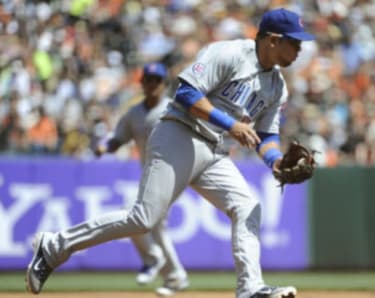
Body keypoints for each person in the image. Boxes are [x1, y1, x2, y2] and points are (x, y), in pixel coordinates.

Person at [26, 8, 315, 298]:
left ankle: (250, 288)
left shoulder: (277, 87)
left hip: (213, 151)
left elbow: (266, 135)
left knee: (248, 206)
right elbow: (186, 93)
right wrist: (232, 124)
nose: (300, 49)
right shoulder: (230, 53)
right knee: (144, 219)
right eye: (295, 42)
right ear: (273, 40)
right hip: (179, 133)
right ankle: (55, 246)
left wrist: (275, 161)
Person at [94, 62, 189, 296]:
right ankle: (175, 275)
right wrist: (104, 146)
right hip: (150, 175)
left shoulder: (175, 109)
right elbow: (117, 140)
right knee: (155, 225)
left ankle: (153, 258)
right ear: (142, 82)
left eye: (157, 80)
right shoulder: (134, 114)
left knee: (136, 214)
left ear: (165, 84)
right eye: (149, 79)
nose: (153, 84)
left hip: (175, 172)